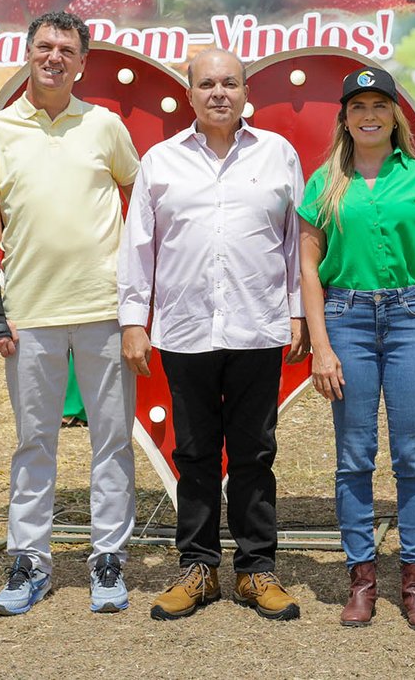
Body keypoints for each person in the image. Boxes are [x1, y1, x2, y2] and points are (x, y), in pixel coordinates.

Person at [117, 48, 308, 623]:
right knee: (194, 454)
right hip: (184, 329)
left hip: (258, 327)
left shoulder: (278, 154)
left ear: (246, 92)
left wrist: (298, 312)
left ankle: (256, 571)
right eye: (207, 84)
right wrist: (133, 321)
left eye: (230, 83)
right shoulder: (160, 160)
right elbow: (139, 245)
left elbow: (299, 241)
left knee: (255, 453)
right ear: (190, 93)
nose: (219, 93)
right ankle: (197, 568)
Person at [0, 11, 141, 617]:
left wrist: (138, 302)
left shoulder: (105, 125)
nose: (54, 57)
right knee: (33, 442)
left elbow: (141, 199)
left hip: (105, 308)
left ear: (82, 62)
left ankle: (108, 560)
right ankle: (30, 562)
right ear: (27, 52)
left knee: (112, 442)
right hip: (29, 313)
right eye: (44, 46)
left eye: (66, 50)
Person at [298, 67, 415, 631]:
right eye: (358, 105)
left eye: (380, 105)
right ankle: (361, 578)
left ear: (396, 115)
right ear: (344, 116)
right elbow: (310, 271)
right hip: (347, 319)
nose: (369, 115)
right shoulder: (323, 184)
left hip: (414, 318)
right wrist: (321, 345)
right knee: (354, 456)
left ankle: (414, 580)